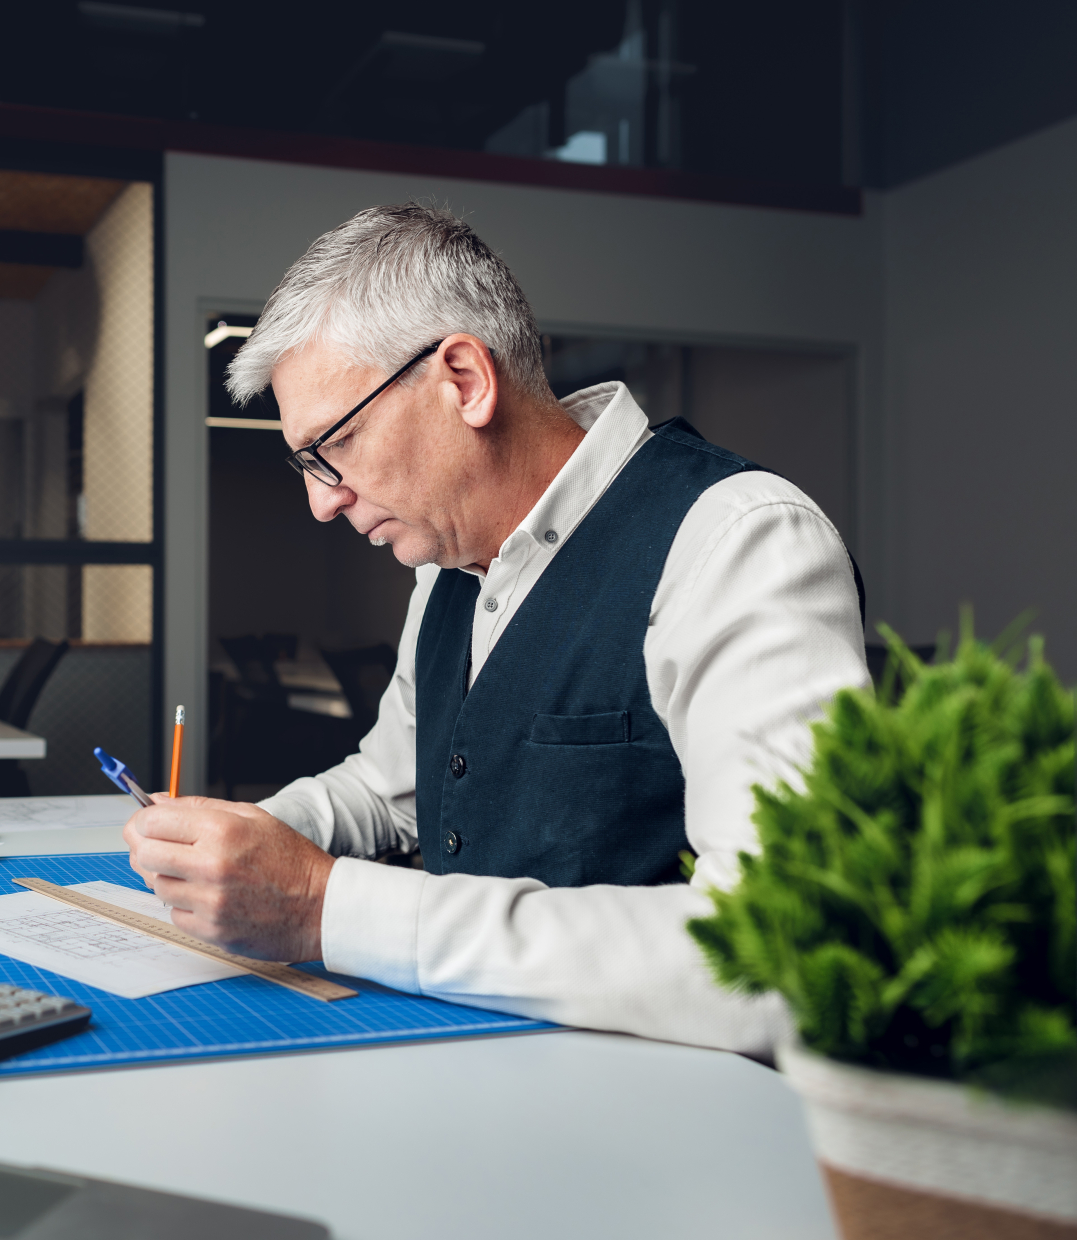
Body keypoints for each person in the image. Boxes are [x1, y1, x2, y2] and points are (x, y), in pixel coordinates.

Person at [127, 203, 867, 1056]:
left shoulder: (739, 540)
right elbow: (392, 785)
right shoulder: (445, 571)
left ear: (465, 380)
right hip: (467, 1069)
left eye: (334, 445)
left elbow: (781, 956)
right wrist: (246, 841)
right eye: (304, 464)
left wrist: (321, 906)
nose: (321, 501)